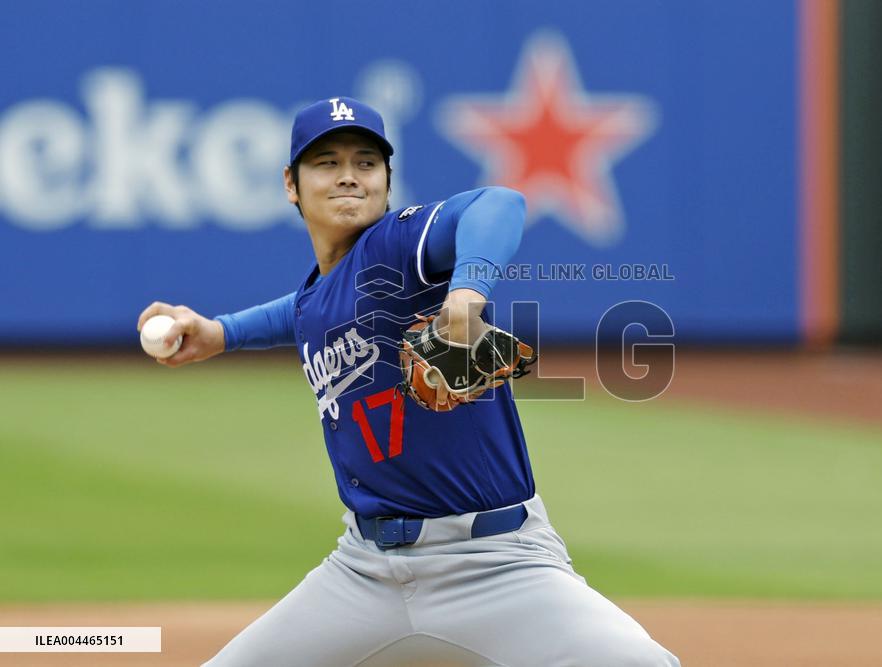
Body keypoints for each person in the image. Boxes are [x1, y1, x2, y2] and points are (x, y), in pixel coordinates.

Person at [138, 96, 680, 667]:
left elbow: (498, 203)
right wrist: (220, 333)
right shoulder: (322, 291)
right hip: (363, 573)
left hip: (496, 565)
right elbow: (300, 313)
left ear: (387, 183)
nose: (349, 176)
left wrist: (469, 290)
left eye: (366, 163)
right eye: (326, 163)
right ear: (291, 185)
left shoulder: (397, 247)